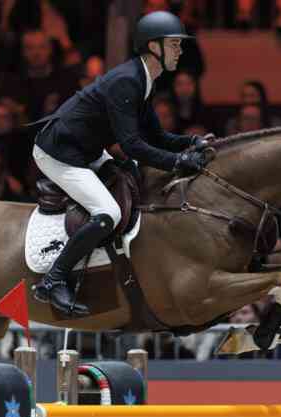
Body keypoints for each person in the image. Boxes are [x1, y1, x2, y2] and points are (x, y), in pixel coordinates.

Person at [30, 11, 212, 317]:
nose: (180, 52)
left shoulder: (145, 79)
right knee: (108, 213)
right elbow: (132, 145)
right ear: (154, 46)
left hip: (85, 149)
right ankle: (53, 281)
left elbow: (155, 135)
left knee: (132, 176)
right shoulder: (127, 81)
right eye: (175, 45)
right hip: (59, 153)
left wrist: (190, 143)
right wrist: (178, 162)